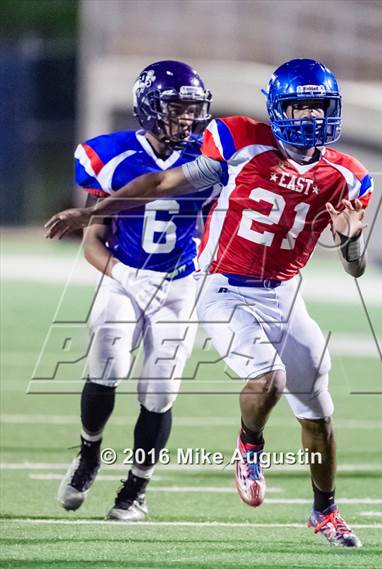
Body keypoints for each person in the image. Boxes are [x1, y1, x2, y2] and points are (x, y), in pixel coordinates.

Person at [46, 58, 373, 546]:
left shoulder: (348, 176)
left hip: (284, 292)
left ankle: (324, 512)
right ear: (278, 108)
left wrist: (349, 243)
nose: (309, 117)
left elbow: (355, 268)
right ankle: (249, 444)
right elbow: (160, 183)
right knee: (268, 379)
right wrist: (94, 211)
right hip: (220, 284)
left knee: (320, 412)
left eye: (318, 106)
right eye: (298, 106)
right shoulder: (238, 142)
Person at [55, 60, 216, 521]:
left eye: (193, 110)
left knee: (161, 391)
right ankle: (89, 454)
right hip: (125, 278)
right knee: (107, 361)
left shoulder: (207, 159)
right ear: (148, 108)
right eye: (177, 109)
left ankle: (135, 490)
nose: (187, 119)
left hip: (179, 285)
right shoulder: (112, 155)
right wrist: (126, 277)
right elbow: (92, 241)